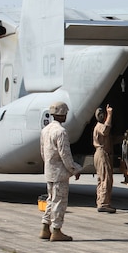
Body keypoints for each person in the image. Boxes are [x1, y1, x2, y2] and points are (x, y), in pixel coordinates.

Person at [39, 101, 82, 242]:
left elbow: (42, 152)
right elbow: (65, 155)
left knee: (51, 199)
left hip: (49, 170)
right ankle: (56, 230)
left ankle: (45, 228)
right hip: (60, 173)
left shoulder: (45, 130)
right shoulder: (61, 132)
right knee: (59, 201)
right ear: (62, 114)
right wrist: (74, 169)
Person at [93, 104, 116, 213]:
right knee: (106, 178)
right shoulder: (100, 126)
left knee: (101, 179)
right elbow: (105, 130)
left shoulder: (97, 126)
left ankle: (100, 201)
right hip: (102, 153)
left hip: (100, 153)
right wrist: (110, 115)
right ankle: (104, 203)